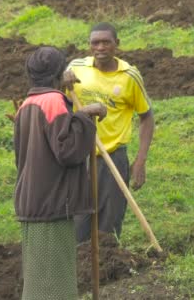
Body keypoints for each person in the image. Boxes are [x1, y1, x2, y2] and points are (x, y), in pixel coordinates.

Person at [13, 46, 106, 300]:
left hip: (34, 203)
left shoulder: (28, 104)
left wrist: (79, 114)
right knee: (54, 286)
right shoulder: (53, 101)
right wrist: (86, 119)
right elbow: (67, 150)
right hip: (51, 204)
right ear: (59, 73)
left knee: (38, 283)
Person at [64, 22, 155, 243]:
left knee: (109, 223)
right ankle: (80, 270)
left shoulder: (129, 76)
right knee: (78, 222)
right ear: (89, 46)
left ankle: (108, 268)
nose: (101, 47)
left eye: (106, 42)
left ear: (117, 44)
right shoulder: (75, 68)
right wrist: (61, 80)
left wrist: (140, 160)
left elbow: (147, 116)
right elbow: (61, 102)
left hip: (113, 156)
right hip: (79, 156)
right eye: (95, 43)